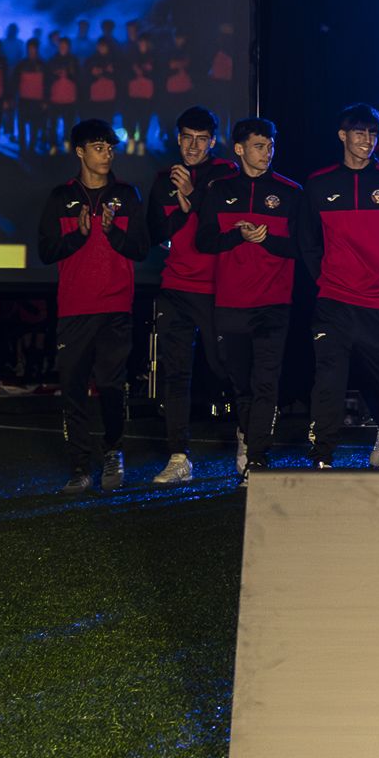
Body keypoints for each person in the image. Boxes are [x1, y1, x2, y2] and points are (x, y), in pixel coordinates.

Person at [298, 102, 379, 469]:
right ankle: (322, 457)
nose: (366, 140)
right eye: (358, 133)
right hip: (334, 302)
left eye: (371, 133)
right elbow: (307, 241)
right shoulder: (319, 184)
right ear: (343, 136)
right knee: (329, 382)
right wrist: (326, 278)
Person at [40, 120, 149, 492]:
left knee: (111, 384)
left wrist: (112, 231)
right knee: (72, 388)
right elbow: (46, 251)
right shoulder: (60, 196)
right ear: (80, 152)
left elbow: (139, 248)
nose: (107, 153)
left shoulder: (127, 194)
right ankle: (79, 467)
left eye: (110, 147)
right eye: (98, 147)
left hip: (116, 307)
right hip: (74, 308)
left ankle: (113, 452)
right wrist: (80, 235)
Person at [197, 118, 301, 478]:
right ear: (239, 149)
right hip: (231, 302)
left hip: (273, 303)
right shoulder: (219, 190)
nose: (267, 152)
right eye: (259, 146)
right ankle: (247, 434)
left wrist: (267, 240)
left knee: (266, 381)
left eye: (271, 145)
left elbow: (304, 248)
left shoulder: (290, 192)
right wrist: (237, 236)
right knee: (239, 381)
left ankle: (257, 457)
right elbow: (204, 241)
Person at [144, 106, 239, 483]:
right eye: (187, 138)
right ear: (178, 138)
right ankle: (178, 456)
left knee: (225, 367)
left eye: (202, 139)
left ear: (213, 141)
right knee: (176, 373)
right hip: (176, 287)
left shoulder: (227, 174)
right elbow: (156, 232)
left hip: (218, 288)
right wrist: (181, 209)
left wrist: (192, 194)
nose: (194, 146)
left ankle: (248, 441)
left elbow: (221, 223)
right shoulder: (162, 178)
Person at [124, 34, 158, 156]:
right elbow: (125, 74)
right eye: (140, 43)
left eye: (144, 43)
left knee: (144, 119)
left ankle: (142, 143)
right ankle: (131, 140)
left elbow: (157, 75)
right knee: (130, 118)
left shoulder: (153, 57)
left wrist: (147, 71)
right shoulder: (131, 57)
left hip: (147, 95)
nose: (142, 45)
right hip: (133, 94)